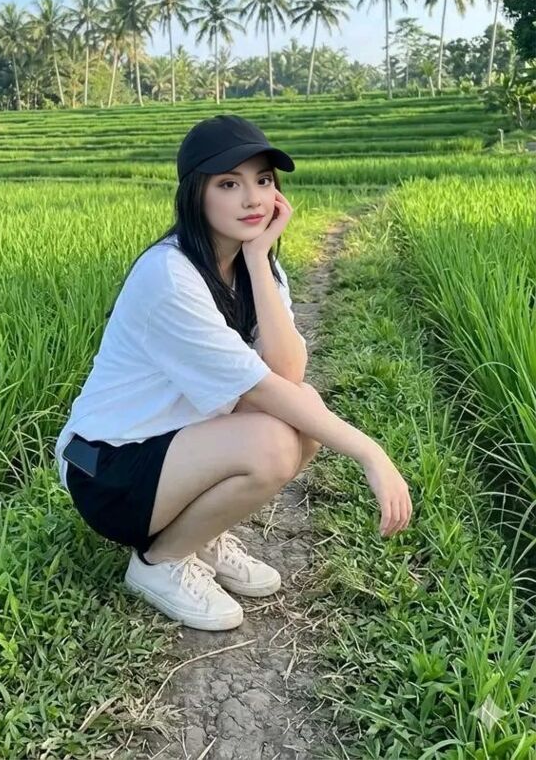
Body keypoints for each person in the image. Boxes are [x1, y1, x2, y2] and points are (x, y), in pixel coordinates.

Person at [55, 114, 413, 632]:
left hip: (171, 446)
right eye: (229, 184)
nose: (252, 199)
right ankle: (160, 562)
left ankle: (199, 537)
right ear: (195, 194)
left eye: (262, 181)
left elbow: (287, 372)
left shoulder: (254, 264)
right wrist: (369, 452)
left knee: (303, 413)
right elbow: (264, 389)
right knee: (272, 442)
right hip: (104, 466)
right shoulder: (169, 275)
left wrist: (259, 258)